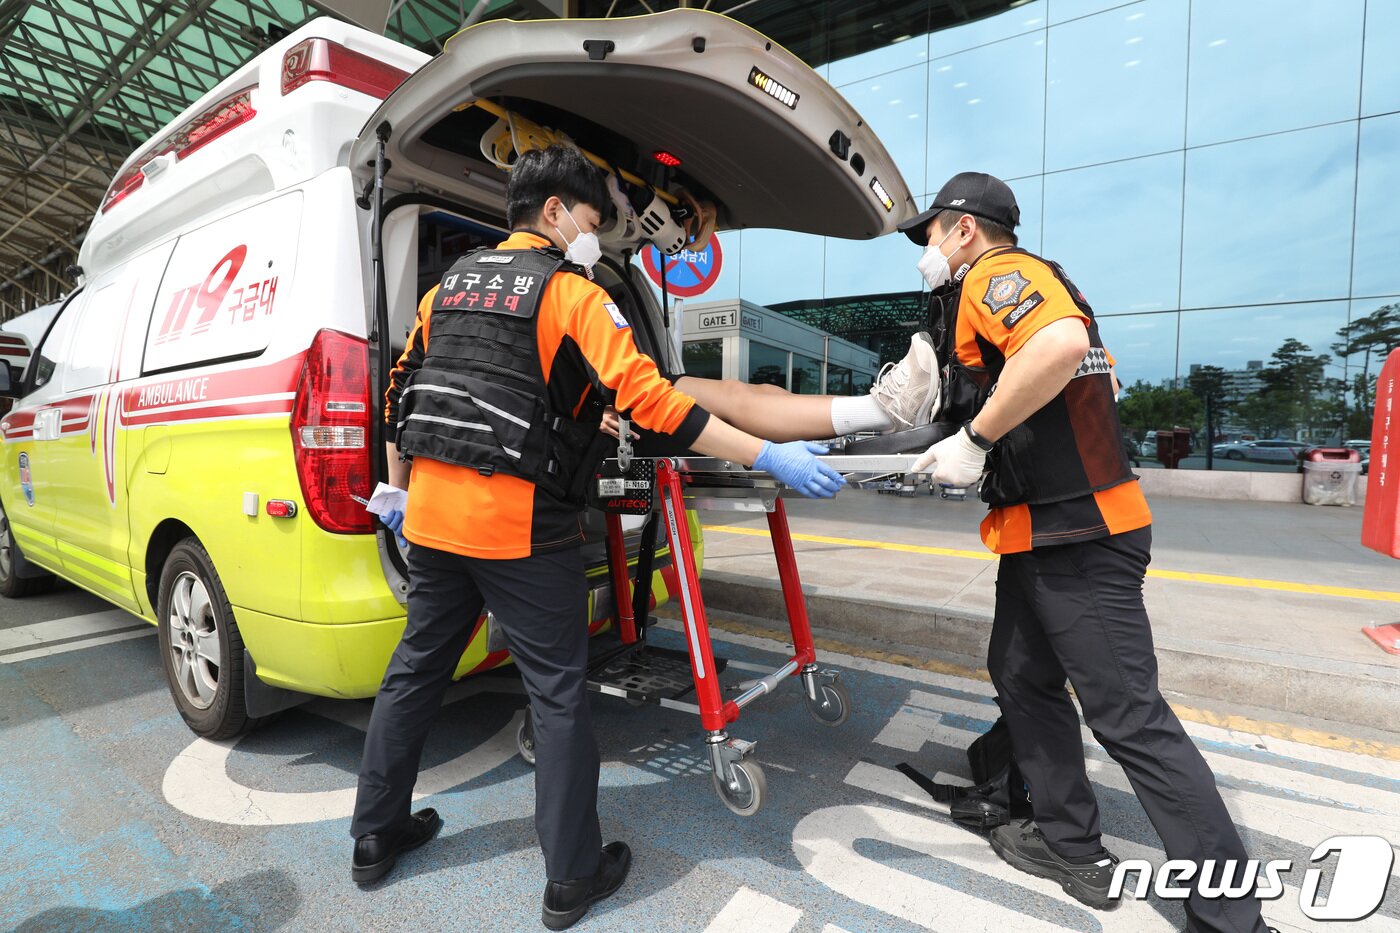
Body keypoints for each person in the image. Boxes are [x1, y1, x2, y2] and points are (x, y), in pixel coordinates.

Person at [351, 143, 860, 930]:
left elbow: (399, 391)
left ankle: (374, 837)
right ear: (554, 212)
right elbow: (653, 399)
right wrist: (765, 453)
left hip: (431, 523)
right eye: (590, 222)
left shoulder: (444, 290)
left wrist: (398, 485)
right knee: (557, 696)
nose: (592, 239)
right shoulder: (571, 294)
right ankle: (572, 879)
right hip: (519, 528)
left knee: (413, 675)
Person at [902, 172, 1271, 933]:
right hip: (1044, 532)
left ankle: (1231, 915)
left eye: (932, 231)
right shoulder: (1013, 287)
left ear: (965, 229)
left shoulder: (997, 275)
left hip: (1081, 534)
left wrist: (974, 440)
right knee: (1020, 673)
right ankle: (1068, 839)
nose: (927, 248)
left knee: (1128, 716)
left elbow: (1062, 345)